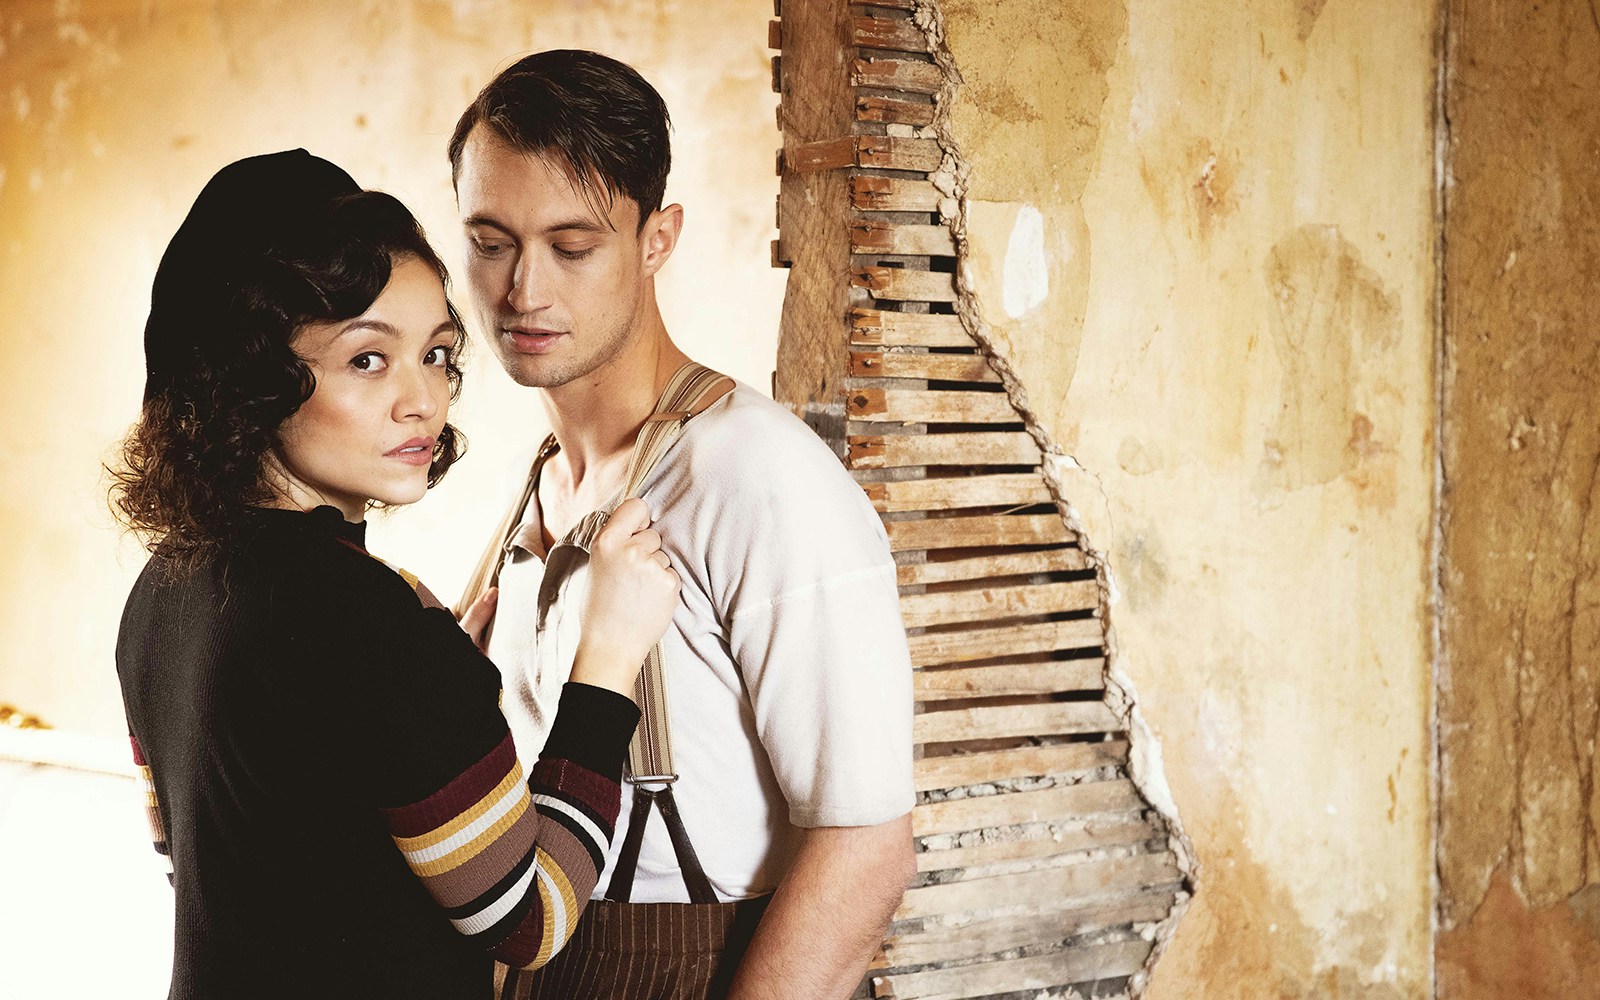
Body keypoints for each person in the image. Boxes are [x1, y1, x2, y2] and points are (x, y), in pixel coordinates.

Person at [110, 149, 680, 1000]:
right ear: (252, 375)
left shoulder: (161, 588)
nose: (424, 400)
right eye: (367, 360)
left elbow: (226, 860)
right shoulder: (372, 621)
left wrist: (436, 699)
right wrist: (606, 666)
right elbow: (530, 921)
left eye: (438, 354)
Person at [450, 50, 917, 998]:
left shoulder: (757, 475)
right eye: (491, 243)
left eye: (573, 247)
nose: (523, 291)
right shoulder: (536, 483)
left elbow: (867, 844)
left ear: (657, 239)